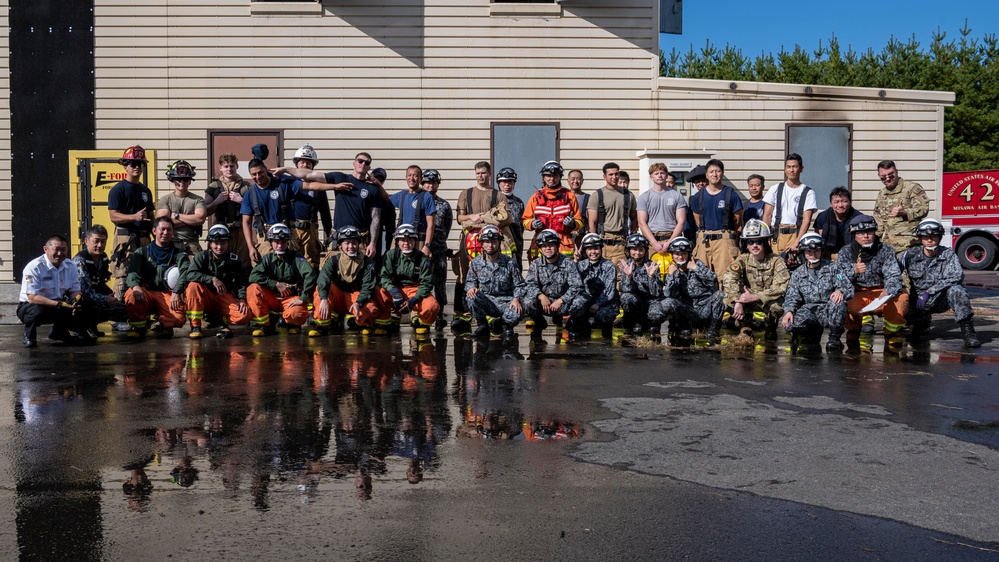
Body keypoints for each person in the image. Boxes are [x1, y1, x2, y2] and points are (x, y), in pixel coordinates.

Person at [272, 152, 383, 259]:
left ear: (369, 167)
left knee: (361, 273)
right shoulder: (340, 178)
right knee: (333, 273)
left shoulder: (372, 189)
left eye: (366, 163)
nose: (363, 164)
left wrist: (372, 243)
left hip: (360, 239)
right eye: (360, 161)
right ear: (354, 163)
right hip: (338, 238)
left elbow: (376, 218)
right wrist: (285, 169)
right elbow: (308, 174)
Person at [899, 219, 980, 348]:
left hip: (940, 299)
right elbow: (893, 271)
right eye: (926, 237)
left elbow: (956, 276)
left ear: (940, 237)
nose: (930, 240)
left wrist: (930, 291)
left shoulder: (948, 255)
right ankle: (919, 325)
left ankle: (968, 332)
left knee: (957, 290)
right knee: (900, 302)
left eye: (934, 236)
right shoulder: (910, 254)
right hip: (918, 302)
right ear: (920, 238)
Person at [453, 161, 513, 323]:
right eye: (478, 173)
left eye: (483, 173)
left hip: (490, 240)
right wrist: (471, 217)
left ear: (489, 174)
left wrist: (486, 219)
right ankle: (462, 311)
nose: (480, 176)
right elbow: (460, 218)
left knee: (490, 272)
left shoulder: (498, 195)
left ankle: (490, 309)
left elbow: (506, 217)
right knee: (465, 271)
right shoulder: (466, 194)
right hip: (469, 240)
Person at [837, 215, 908, 349]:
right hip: (858, 293)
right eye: (860, 233)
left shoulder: (885, 250)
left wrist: (888, 290)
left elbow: (893, 274)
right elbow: (839, 278)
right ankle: (853, 330)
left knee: (901, 298)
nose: (866, 236)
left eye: (869, 232)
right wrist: (854, 271)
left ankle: (891, 333)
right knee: (840, 301)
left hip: (881, 293)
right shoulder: (845, 252)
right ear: (854, 235)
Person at [312, 225, 390, 337]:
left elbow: (368, 286)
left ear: (359, 244)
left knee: (370, 311)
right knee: (320, 291)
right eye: (347, 243)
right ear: (340, 245)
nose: (351, 246)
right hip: (338, 295)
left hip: (356, 296)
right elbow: (323, 279)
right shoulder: (333, 261)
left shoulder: (367, 263)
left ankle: (361, 323)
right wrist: (324, 298)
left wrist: (359, 302)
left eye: (354, 242)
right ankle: (321, 326)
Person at [780, 233, 854, 352]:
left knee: (838, 303)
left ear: (821, 251)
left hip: (828, 308)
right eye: (809, 252)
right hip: (810, 309)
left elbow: (847, 287)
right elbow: (791, 296)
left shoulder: (833, 268)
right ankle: (809, 334)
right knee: (790, 324)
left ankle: (834, 337)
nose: (813, 255)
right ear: (804, 253)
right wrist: (788, 311)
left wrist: (840, 291)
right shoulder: (798, 273)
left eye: (816, 251)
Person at [722, 219, 789, 341]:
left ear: (765, 243)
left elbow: (782, 286)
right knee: (727, 299)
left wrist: (756, 296)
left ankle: (770, 328)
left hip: (766, 300)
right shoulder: (742, 259)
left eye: (758, 241)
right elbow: (729, 279)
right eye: (751, 242)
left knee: (777, 306)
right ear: (746, 245)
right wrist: (738, 300)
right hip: (746, 300)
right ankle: (745, 327)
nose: (755, 245)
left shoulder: (776, 261)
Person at [123, 217, 189, 339]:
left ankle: (163, 324)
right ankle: (138, 327)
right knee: (131, 294)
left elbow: (185, 273)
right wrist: (136, 286)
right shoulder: (142, 252)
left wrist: (176, 291)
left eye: (169, 230)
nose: (165, 233)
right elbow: (132, 273)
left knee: (179, 319)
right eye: (162, 229)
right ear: (154, 231)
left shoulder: (179, 254)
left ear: (173, 232)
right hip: (145, 293)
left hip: (167, 294)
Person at [246, 224, 316, 337]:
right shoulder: (267, 259)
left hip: (291, 298)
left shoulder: (297, 258)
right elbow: (253, 277)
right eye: (276, 242)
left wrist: (303, 298)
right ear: (271, 242)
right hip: (272, 297)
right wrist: (275, 284)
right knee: (252, 289)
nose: (280, 245)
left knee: (296, 314)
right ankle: (265, 326)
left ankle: (293, 325)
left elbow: (311, 275)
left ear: (287, 242)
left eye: (283, 242)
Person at [18, 235, 88, 348]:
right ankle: (29, 336)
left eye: (63, 249)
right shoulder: (33, 267)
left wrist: (77, 299)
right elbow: (32, 297)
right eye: (56, 249)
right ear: (45, 249)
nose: (60, 253)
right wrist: (60, 304)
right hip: (32, 305)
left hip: (58, 303)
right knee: (37, 312)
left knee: (85, 303)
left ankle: (60, 332)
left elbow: (75, 290)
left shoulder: (71, 266)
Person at [183, 224, 251, 339]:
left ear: (228, 243)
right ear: (210, 243)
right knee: (193, 286)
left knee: (244, 316)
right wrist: (211, 279)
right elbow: (190, 274)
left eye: (223, 243)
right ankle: (195, 326)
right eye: (216, 243)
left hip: (225, 296)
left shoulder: (234, 260)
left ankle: (221, 319)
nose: (219, 247)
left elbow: (242, 283)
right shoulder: (201, 257)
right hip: (206, 297)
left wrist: (242, 299)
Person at [107, 145, 155, 299]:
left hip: (144, 238)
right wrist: (134, 217)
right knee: (123, 275)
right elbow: (113, 216)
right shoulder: (118, 189)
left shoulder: (145, 190)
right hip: (125, 238)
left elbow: (151, 215)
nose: (137, 167)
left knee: (145, 274)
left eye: (140, 164)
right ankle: (118, 316)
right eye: (133, 163)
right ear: (125, 166)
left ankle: (142, 316)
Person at [522, 229, 588, 341]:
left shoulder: (568, 263)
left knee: (581, 301)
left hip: (563, 303)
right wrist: (541, 296)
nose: (548, 248)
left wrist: (561, 300)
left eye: (551, 245)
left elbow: (576, 286)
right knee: (527, 301)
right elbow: (529, 284)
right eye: (544, 246)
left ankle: (572, 324)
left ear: (557, 246)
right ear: (540, 248)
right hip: (545, 303)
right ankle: (539, 323)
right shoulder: (536, 264)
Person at [460, 225, 525, 338]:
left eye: (494, 241)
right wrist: (471, 287)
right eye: (487, 242)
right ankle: (482, 325)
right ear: (482, 243)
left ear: (499, 243)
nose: (490, 245)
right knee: (471, 296)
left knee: (518, 309)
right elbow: (470, 281)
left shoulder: (509, 262)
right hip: (486, 301)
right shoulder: (476, 263)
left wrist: (516, 299)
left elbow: (519, 284)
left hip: (506, 302)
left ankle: (505, 326)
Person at [660, 236, 725, 345]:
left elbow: (712, 280)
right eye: (677, 254)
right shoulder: (672, 270)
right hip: (687, 309)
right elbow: (668, 294)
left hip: (704, 306)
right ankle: (681, 325)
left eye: (684, 254)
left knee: (720, 295)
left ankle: (713, 330)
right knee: (667, 302)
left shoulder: (697, 264)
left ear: (689, 254)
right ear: (672, 255)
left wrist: (696, 269)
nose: (680, 257)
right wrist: (670, 276)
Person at [687, 159, 743, 280]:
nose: (714, 174)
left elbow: (738, 219)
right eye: (711, 171)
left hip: (724, 241)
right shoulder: (698, 196)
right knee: (702, 277)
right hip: (703, 241)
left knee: (725, 277)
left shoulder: (730, 194)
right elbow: (697, 220)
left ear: (722, 173)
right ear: (707, 175)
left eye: (717, 171)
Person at [380, 224, 440, 335]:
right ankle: (386, 322)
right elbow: (384, 277)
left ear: (415, 241)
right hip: (395, 288)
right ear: (397, 241)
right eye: (403, 240)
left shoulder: (422, 258)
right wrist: (394, 292)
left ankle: (420, 322)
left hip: (415, 290)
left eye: (410, 240)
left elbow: (427, 283)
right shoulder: (391, 255)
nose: (406, 243)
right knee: (379, 293)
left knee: (432, 306)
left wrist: (414, 300)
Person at [240, 158, 299, 266]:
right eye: (254, 174)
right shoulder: (250, 194)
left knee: (292, 265)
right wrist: (251, 247)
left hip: (285, 232)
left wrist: (334, 186)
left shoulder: (282, 185)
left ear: (266, 169)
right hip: (264, 235)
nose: (258, 177)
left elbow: (308, 185)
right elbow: (246, 222)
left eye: (260, 172)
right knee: (264, 266)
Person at [73, 224, 126, 338]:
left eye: (103, 241)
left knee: (123, 309)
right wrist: (105, 299)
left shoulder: (103, 257)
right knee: (85, 305)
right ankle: (80, 329)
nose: (100, 245)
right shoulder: (80, 261)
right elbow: (85, 293)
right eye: (96, 241)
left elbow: (101, 282)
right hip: (80, 298)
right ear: (86, 241)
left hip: (96, 295)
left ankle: (92, 326)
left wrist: (111, 296)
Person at [523, 160, 582, 261]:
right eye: (548, 176)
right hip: (541, 242)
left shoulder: (570, 197)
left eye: (555, 175)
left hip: (563, 244)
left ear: (560, 177)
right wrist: (532, 224)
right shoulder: (535, 197)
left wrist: (572, 224)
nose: (552, 179)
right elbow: (525, 220)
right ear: (543, 177)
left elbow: (580, 222)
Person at [286, 144, 333, 268]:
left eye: (309, 163)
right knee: (292, 264)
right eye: (302, 162)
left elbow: (325, 212)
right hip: (292, 231)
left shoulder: (319, 187)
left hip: (311, 231)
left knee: (311, 264)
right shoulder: (288, 184)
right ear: (297, 164)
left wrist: (329, 234)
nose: (305, 165)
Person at [762, 153, 817, 253]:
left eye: (795, 167)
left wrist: (798, 241)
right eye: (788, 167)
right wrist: (766, 238)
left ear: (801, 169)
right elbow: (767, 215)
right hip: (776, 236)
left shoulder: (808, 192)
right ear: (785, 169)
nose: (791, 170)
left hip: (796, 235)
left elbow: (806, 220)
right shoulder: (775, 189)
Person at [204, 152, 252, 267]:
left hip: (241, 231)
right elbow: (206, 211)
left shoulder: (247, 187)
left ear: (237, 166)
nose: (229, 169)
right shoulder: (213, 187)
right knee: (219, 261)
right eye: (226, 166)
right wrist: (217, 201)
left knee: (243, 262)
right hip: (220, 231)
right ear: (220, 168)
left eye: (232, 166)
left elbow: (256, 209)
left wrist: (241, 201)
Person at [873, 160, 930, 253]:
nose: (887, 179)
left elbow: (923, 209)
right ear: (879, 176)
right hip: (888, 246)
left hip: (909, 245)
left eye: (891, 175)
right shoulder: (882, 194)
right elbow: (878, 220)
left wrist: (905, 213)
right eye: (883, 177)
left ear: (897, 172)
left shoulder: (911, 188)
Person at [587, 162, 637, 266]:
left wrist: (632, 234)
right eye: (610, 174)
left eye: (616, 174)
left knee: (620, 277)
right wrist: (595, 245)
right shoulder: (597, 195)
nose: (614, 177)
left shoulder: (628, 195)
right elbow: (592, 222)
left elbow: (634, 217)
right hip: (603, 243)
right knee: (602, 277)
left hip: (621, 244)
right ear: (604, 177)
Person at [618, 233, 666, 337]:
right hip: (636, 303)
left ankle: (653, 325)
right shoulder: (626, 266)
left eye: (640, 249)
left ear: (645, 251)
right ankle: (635, 322)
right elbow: (626, 290)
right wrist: (629, 276)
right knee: (626, 297)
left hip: (650, 302)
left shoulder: (652, 265)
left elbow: (656, 293)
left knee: (657, 314)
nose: (637, 253)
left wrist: (651, 276)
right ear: (629, 250)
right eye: (634, 249)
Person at [422, 169, 453, 330]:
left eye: (433, 182)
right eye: (427, 182)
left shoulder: (444, 205)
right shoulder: (417, 201)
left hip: (439, 248)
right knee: (422, 281)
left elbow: (447, 227)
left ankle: (440, 314)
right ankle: (423, 313)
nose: (430, 185)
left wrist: (439, 243)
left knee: (439, 282)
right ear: (422, 184)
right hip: (421, 249)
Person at [155, 160, 207, 255]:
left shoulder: (198, 200)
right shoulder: (165, 200)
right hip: (170, 244)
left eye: (185, 179)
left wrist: (176, 216)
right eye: (178, 179)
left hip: (192, 244)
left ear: (190, 181)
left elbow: (200, 219)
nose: (182, 182)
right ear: (173, 180)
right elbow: (163, 223)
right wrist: (191, 219)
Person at [637, 162, 688, 256]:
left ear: (666, 175)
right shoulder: (644, 197)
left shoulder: (677, 196)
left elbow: (681, 222)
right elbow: (641, 223)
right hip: (652, 241)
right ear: (651, 177)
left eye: (662, 173)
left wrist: (669, 242)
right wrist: (654, 243)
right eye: (656, 173)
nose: (659, 176)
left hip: (672, 239)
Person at [577, 233, 619, 338]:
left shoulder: (608, 266)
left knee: (604, 316)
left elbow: (609, 291)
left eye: (596, 248)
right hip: (586, 302)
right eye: (589, 249)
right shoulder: (580, 265)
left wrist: (597, 304)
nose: (593, 252)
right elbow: (574, 285)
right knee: (576, 318)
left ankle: (606, 333)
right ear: (585, 251)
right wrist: (575, 262)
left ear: (600, 249)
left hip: (605, 302)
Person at [389, 166, 436, 256]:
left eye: (415, 176)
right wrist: (377, 184)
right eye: (409, 175)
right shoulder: (402, 195)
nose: (411, 178)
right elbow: (385, 198)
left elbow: (431, 225)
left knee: (418, 268)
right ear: (406, 177)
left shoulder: (427, 197)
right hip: (401, 239)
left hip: (419, 241)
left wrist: (427, 245)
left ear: (421, 179)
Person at [813, 186, 861, 260]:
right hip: (828, 254)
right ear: (831, 204)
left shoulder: (858, 218)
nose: (840, 205)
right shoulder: (823, 217)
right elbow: (818, 240)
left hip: (852, 254)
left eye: (844, 201)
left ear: (850, 202)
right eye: (836, 202)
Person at [496, 167, 525, 271]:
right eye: (504, 182)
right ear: (499, 184)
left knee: (516, 272)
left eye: (510, 182)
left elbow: (522, 226)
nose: (507, 185)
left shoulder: (519, 203)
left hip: (516, 246)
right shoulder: (493, 201)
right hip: (497, 246)